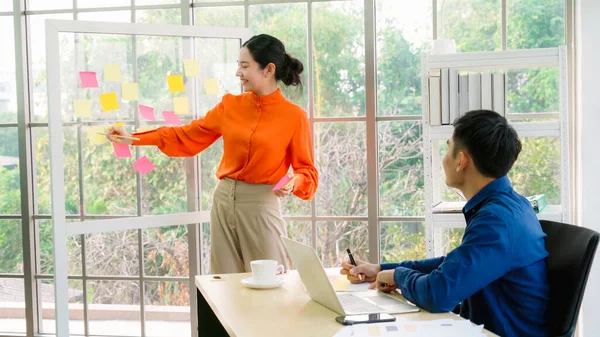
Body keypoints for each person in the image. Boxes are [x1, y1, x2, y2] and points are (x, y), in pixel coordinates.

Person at [107, 34, 318, 274]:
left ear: (269, 69)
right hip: (223, 201)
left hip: (261, 206)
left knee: (272, 280)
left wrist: (292, 182)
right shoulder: (230, 105)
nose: (238, 72)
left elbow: (307, 172)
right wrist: (132, 138)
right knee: (226, 281)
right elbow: (187, 135)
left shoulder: (294, 117)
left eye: (244, 65)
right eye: (238, 65)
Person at [342, 110, 549, 337]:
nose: (444, 158)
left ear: (461, 160)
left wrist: (398, 275)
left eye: (448, 148)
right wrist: (382, 269)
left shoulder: (496, 222)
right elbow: (454, 265)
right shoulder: (510, 206)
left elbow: (438, 294)